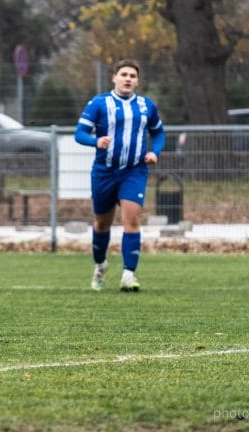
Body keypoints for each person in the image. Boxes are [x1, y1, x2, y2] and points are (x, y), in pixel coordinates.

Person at [74, 59, 166, 292]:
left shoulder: (146, 106)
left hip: (134, 170)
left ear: (137, 81)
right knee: (102, 223)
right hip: (104, 171)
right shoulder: (100, 103)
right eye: (124, 74)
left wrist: (154, 152)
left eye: (132, 76)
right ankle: (100, 265)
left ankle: (128, 274)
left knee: (132, 219)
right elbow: (80, 133)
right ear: (114, 78)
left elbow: (158, 134)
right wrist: (96, 141)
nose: (128, 79)